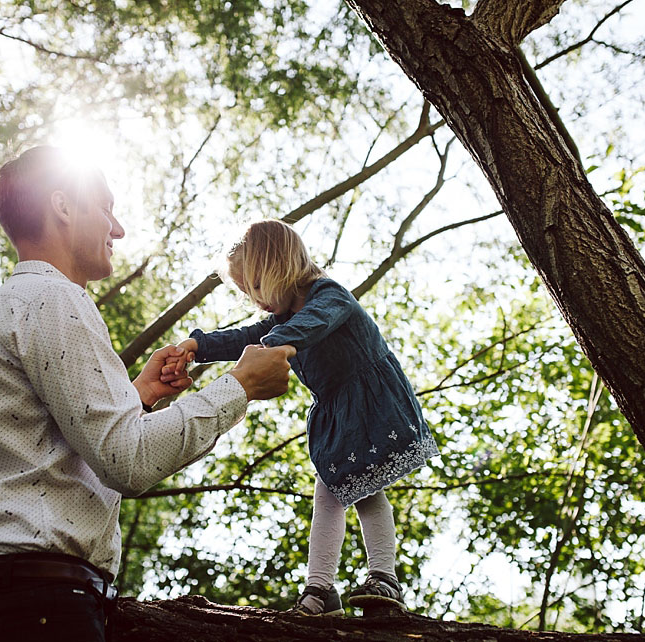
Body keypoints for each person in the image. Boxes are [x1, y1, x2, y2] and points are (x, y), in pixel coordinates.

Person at [0, 147, 296, 642]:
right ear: (62, 207)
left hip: (6, 601)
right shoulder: (56, 298)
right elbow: (128, 461)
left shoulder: (9, 306)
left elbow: (47, 448)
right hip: (38, 610)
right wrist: (240, 386)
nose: (118, 228)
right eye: (105, 207)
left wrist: (139, 396)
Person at [163, 219, 439, 615]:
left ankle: (376, 580)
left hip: (369, 405)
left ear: (276, 267)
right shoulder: (279, 319)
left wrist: (268, 347)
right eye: (246, 292)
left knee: (363, 491)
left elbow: (311, 324)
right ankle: (324, 590)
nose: (256, 300)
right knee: (335, 494)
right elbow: (248, 334)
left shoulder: (329, 295)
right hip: (338, 413)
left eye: (255, 287)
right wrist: (198, 345)